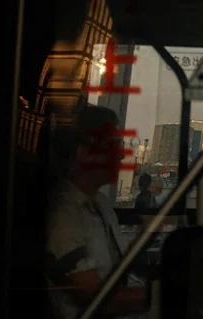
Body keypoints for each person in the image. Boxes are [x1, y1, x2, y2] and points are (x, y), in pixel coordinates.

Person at [44, 106, 149, 318]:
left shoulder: (101, 204)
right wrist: (161, 296)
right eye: (113, 146)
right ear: (83, 153)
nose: (121, 155)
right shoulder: (63, 216)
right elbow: (95, 297)